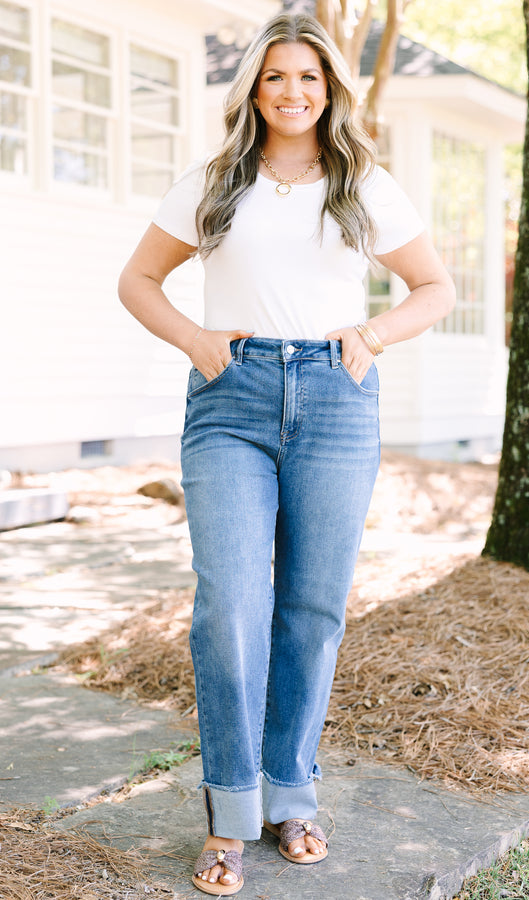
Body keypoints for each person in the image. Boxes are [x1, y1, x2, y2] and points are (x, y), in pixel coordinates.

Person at [118, 11, 455, 896]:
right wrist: (194, 340)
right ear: (254, 89)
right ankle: (231, 816)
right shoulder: (216, 180)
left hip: (338, 401)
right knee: (230, 601)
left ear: (330, 87)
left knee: (311, 608)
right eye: (276, 77)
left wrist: (373, 335)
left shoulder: (363, 183)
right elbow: (138, 279)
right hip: (231, 399)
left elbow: (435, 288)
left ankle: (291, 796)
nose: (293, 92)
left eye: (309, 77)